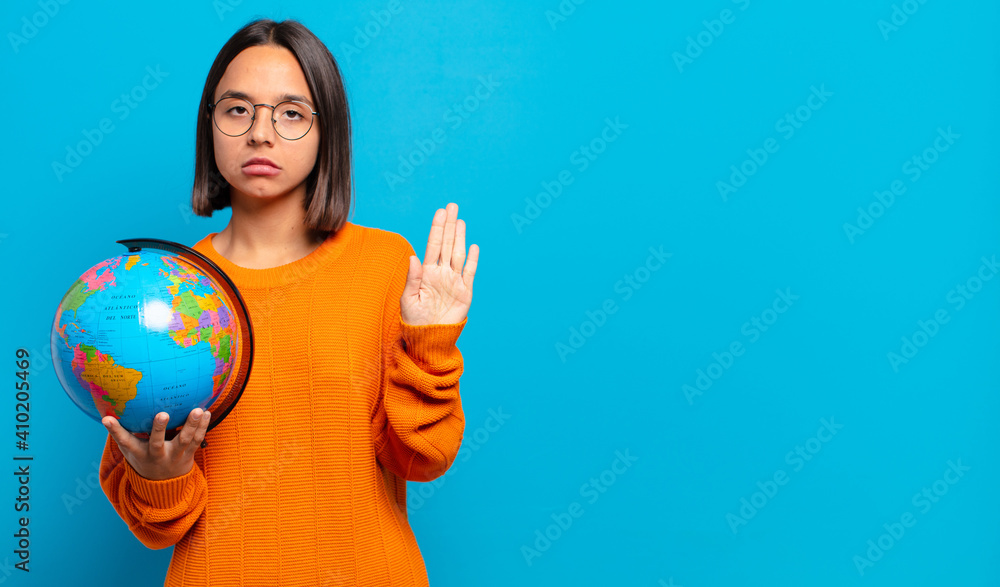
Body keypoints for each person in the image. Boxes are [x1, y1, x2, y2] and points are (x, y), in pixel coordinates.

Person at [98, 18, 478, 587]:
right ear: (210, 127)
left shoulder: (384, 265)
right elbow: (159, 528)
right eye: (237, 109)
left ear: (329, 132)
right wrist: (159, 474)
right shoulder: (163, 292)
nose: (261, 133)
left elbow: (420, 460)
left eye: (292, 113)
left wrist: (431, 343)